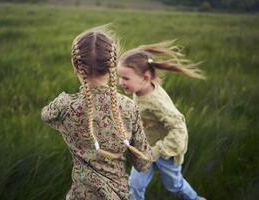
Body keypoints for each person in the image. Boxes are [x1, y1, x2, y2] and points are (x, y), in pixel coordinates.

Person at [41, 25, 152, 200]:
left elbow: (46, 115)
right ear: (113, 65)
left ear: (75, 65)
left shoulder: (65, 106)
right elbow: (143, 163)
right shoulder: (129, 107)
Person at [117, 40, 206, 200]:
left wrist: (157, 151)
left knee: (174, 185)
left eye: (125, 78)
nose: (120, 82)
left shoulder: (156, 103)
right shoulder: (140, 90)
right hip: (145, 151)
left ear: (145, 78)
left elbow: (179, 129)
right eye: (120, 77)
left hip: (166, 153)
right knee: (135, 185)